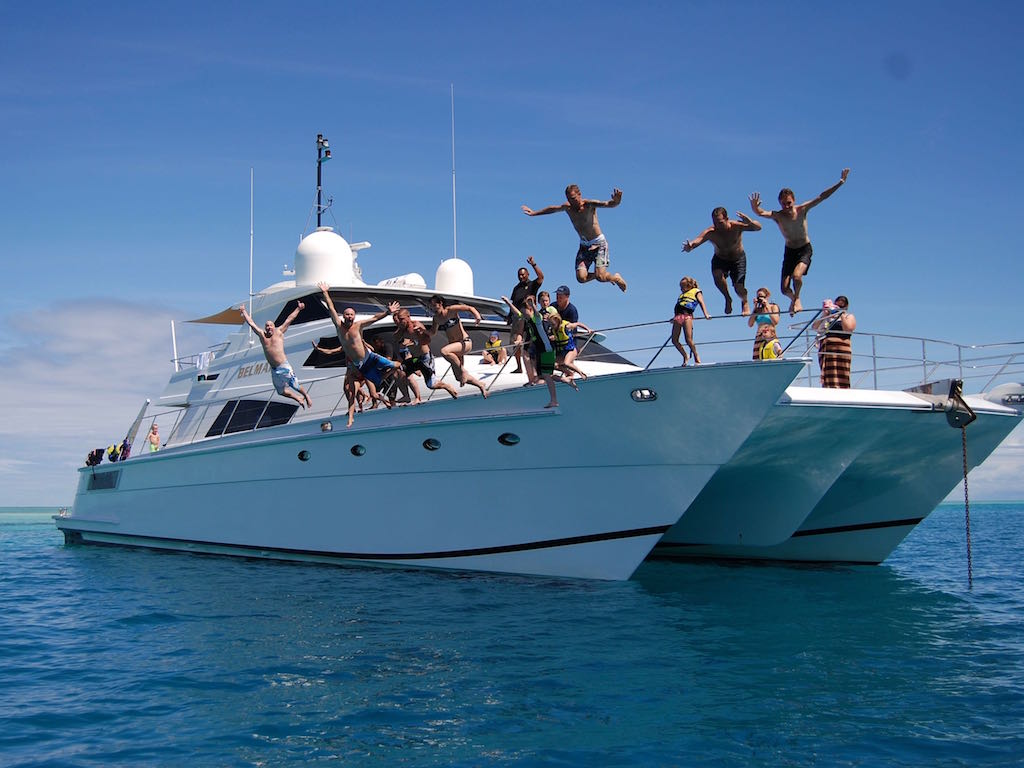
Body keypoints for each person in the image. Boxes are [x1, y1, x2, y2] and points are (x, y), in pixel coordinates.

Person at [749, 168, 850, 316]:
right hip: (790, 251)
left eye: (789, 203)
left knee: (797, 276)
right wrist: (755, 207)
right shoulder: (778, 216)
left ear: (794, 200)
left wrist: (840, 182)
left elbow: (822, 196)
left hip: (804, 249)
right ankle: (794, 299)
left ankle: (796, 299)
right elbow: (761, 213)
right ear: (780, 203)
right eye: (783, 204)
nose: (786, 206)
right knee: (784, 289)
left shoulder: (802, 209)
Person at [522, 184, 628, 292]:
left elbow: (608, 204)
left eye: (573, 198)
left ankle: (615, 278)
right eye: (568, 199)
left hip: (599, 244)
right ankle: (602, 275)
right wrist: (534, 213)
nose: (571, 202)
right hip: (585, 246)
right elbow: (552, 209)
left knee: (601, 277)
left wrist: (616, 201)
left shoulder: (589, 205)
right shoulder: (568, 207)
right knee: (581, 278)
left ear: (579, 194)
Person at [316, 282, 401, 415]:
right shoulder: (339, 326)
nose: (349, 316)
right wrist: (325, 292)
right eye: (347, 314)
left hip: (368, 359)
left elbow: (374, 318)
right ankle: (356, 408)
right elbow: (331, 308)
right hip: (356, 365)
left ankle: (382, 386)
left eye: (351, 314)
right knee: (348, 387)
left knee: (394, 366)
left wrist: (388, 312)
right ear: (343, 316)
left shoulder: (358, 325)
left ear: (354, 316)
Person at [682, 207, 762, 315]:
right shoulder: (711, 232)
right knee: (717, 275)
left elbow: (758, 227)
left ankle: (744, 301)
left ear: (727, 219)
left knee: (739, 288)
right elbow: (697, 241)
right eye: (715, 223)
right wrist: (690, 246)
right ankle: (728, 298)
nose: (717, 226)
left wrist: (750, 222)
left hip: (738, 259)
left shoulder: (736, 226)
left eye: (720, 222)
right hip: (720, 258)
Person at [239, 302, 312, 409]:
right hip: (274, 369)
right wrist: (244, 311)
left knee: (295, 385)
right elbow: (251, 323)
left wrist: (298, 308)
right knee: (281, 391)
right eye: (267, 326)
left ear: (274, 327)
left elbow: (289, 319)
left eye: (271, 325)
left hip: (284, 366)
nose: (269, 327)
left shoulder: (279, 332)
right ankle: (298, 398)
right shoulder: (262, 335)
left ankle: (306, 395)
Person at [502, 295, 560, 407]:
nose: (524, 313)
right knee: (543, 372)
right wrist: (508, 303)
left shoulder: (537, 317)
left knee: (546, 374)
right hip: (539, 347)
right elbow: (518, 313)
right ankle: (550, 390)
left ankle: (554, 396)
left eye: (526, 311)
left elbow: (538, 315)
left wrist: (532, 305)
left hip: (545, 347)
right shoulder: (527, 318)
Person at [392, 307, 460, 400]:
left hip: (425, 359)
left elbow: (427, 340)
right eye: (398, 321)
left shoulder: (416, 325)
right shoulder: (402, 330)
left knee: (431, 385)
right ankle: (406, 396)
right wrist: (401, 330)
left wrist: (418, 338)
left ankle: (446, 386)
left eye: (402, 319)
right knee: (398, 372)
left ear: (408, 317)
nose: (400, 322)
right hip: (415, 359)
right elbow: (395, 338)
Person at [430, 295, 488, 398]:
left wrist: (477, 316)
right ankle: (480, 385)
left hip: (465, 343)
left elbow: (470, 308)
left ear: (440, 304)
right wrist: (421, 330)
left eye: (434, 305)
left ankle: (463, 370)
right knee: (459, 377)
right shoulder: (436, 318)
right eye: (431, 307)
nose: (433, 308)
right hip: (455, 348)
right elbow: (432, 332)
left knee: (444, 351)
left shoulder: (451, 310)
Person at [508, 256, 544, 373]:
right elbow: (513, 302)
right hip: (518, 318)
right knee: (515, 342)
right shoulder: (516, 288)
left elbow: (541, 277)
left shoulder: (533, 284)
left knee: (533, 341)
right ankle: (519, 367)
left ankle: (536, 365)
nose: (521, 277)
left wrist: (533, 264)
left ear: (528, 274)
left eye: (523, 274)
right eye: (519, 275)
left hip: (529, 317)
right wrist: (509, 317)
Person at [812, 295, 856, 388]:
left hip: (842, 350)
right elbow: (814, 327)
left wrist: (841, 313)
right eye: (837, 305)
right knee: (828, 373)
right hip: (827, 350)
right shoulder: (828, 318)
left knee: (842, 372)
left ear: (846, 307)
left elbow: (848, 328)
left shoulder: (849, 316)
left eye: (842, 305)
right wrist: (825, 314)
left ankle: (843, 389)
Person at [671, 276, 711, 366]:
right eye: (680, 287)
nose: (681, 289)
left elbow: (701, 302)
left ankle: (696, 356)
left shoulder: (696, 291)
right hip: (678, 317)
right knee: (674, 340)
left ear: (689, 285)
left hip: (687, 316)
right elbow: (679, 306)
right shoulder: (682, 295)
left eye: (683, 286)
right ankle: (685, 356)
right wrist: (673, 318)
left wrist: (706, 314)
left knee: (688, 339)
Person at [548, 310, 593, 384]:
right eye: (550, 324)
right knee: (553, 365)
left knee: (567, 363)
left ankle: (581, 373)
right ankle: (569, 373)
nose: (551, 326)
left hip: (571, 350)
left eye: (553, 324)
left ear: (557, 322)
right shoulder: (553, 329)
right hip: (563, 351)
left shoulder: (567, 326)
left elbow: (578, 324)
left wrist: (588, 329)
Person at [748, 287, 781, 360]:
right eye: (758, 297)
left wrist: (767, 307)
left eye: (762, 296)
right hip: (759, 336)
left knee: (772, 356)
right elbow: (750, 324)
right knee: (757, 359)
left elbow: (776, 322)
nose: (760, 298)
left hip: (770, 335)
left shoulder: (773, 307)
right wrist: (755, 309)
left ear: (767, 296)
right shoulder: (758, 310)